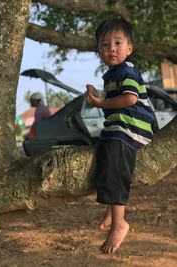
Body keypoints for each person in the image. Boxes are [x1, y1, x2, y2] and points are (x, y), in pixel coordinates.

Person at [86, 18, 154, 254]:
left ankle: (120, 223)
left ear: (129, 48)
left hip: (132, 128)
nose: (111, 49)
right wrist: (97, 100)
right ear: (99, 51)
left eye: (117, 43)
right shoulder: (112, 74)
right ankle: (112, 208)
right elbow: (113, 105)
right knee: (104, 156)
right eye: (105, 45)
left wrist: (101, 102)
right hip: (118, 128)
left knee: (114, 159)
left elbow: (130, 99)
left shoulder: (127, 70)